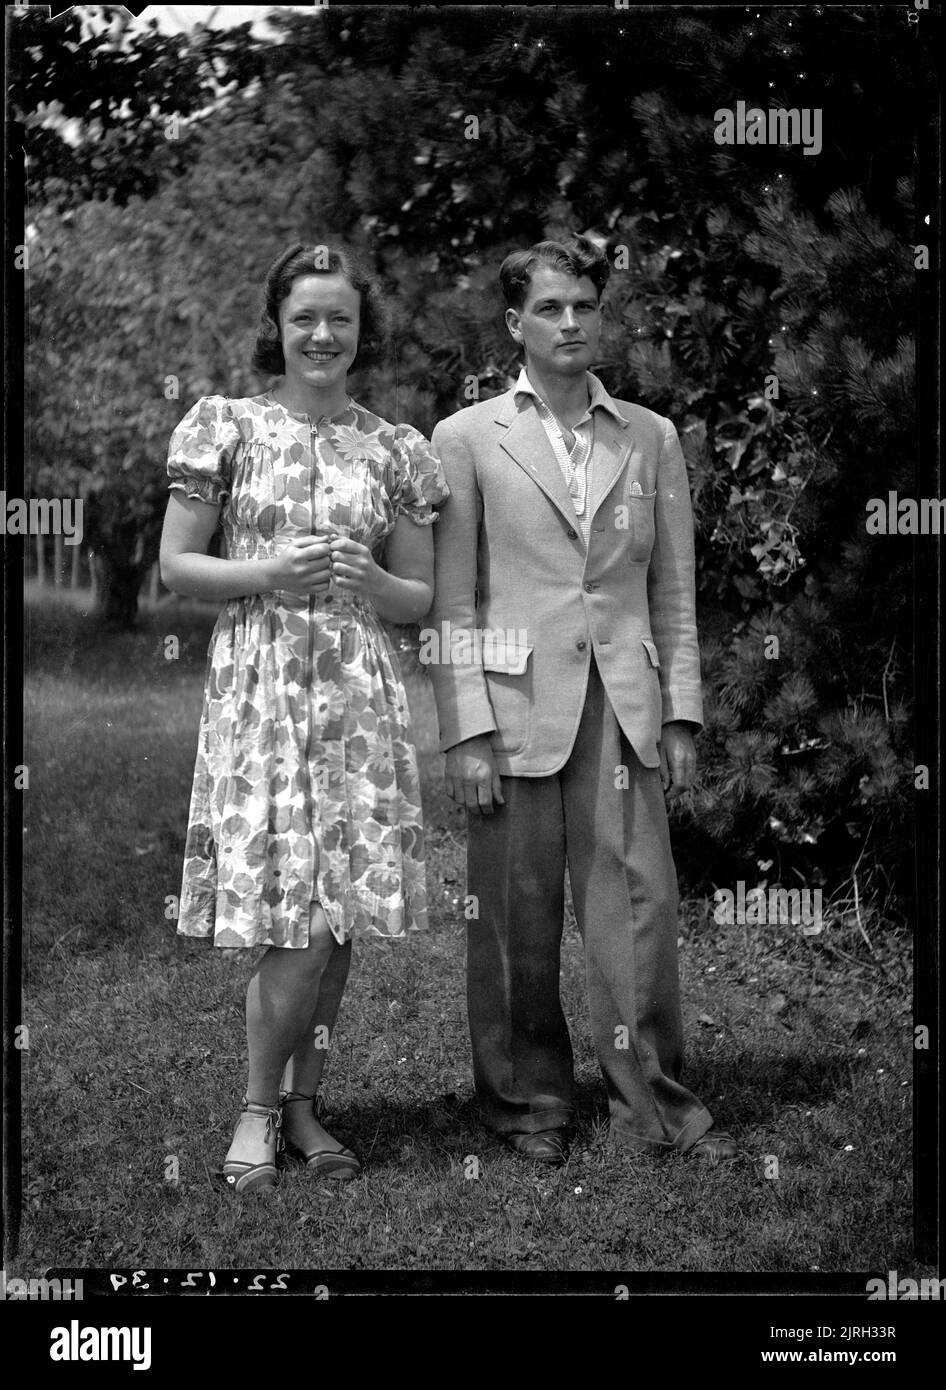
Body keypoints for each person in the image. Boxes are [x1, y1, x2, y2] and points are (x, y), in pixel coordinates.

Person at [425, 235, 737, 1164]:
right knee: (515, 916)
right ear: (515, 323)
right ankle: (528, 1104)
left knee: (636, 909)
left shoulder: (649, 435)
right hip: (514, 708)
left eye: (586, 307)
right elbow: (452, 600)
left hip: (624, 706)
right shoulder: (466, 438)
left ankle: (657, 1104)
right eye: (551, 308)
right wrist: (467, 732)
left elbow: (674, 587)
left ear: (604, 317)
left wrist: (680, 709)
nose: (571, 323)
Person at [159, 241, 448, 1192]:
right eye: (305, 318)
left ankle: (305, 1107)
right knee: (295, 924)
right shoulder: (228, 426)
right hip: (265, 691)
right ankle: (253, 1111)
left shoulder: (397, 448)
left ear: (363, 334)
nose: (323, 335)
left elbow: (421, 598)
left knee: (340, 918)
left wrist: (376, 580)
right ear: (277, 328)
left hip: (359, 701)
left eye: (342, 320)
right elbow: (176, 567)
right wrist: (268, 574)